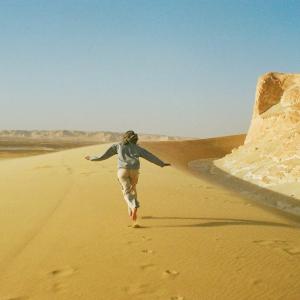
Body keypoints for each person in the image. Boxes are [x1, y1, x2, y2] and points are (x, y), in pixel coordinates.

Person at [85, 130, 171, 227]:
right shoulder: (138, 148)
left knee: (126, 191)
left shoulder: (118, 146)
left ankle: (133, 206)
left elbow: (104, 155)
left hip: (122, 171)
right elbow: (149, 156)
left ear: (124, 137)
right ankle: (132, 213)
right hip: (134, 171)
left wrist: (91, 158)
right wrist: (161, 164)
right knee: (133, 189)